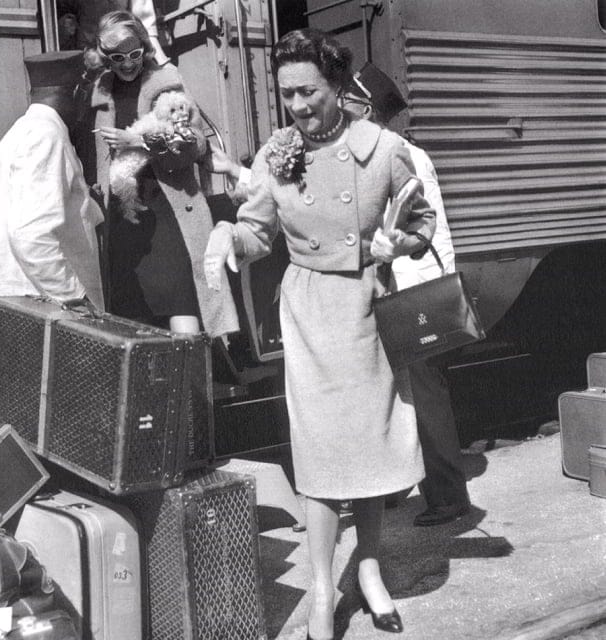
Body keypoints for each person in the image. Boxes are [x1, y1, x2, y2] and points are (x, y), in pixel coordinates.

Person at [203, 29, 435, 639]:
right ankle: (321, 585)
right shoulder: (275, 155)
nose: (299, 107)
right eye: (287, 95)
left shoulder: (384, 149)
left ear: (337, 86)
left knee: (369, 449)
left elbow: (422, 221)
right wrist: (231, 237)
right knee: (321, 454)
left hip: (368, 307)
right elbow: (258, 232)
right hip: (310, 316)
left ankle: (370, 569)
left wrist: (398, 243)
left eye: (310, 92)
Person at [344, 62, 472, 527]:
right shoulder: (387, 150)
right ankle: (399, 485)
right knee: (393, 394)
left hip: (413, 290)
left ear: (368, 108)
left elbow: (423, 231)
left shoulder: (401, 153)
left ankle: (450, 496)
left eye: (350, 102)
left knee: (424, 393)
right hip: (396, 288)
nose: (341, 108)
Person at [83, 9, 238, 337]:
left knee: (180, 300)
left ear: (144, 46)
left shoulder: (166, 83)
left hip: (168, 208)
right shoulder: (100, 92)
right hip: (125, 214)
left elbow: (195, 145)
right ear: (104, 56)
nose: (127, 63)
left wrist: (138, 141)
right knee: (134, 311)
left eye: (134, 54)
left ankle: (193, 385)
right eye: (116, 57)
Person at [0, 51, 104, 310]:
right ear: (76, 92)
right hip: (49, 307)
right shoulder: (47, 136)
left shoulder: (17, 133)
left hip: (22, 301)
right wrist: (75, 298)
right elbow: (30, 233)